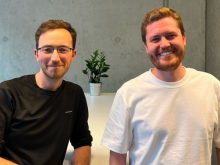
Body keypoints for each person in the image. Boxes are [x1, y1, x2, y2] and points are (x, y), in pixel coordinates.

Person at [101, 7, 220, 165]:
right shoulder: (128, 93)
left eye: (171, 35)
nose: (164, 44)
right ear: (146, 46)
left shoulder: (211, 86)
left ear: (183, 38)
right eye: (155, 39)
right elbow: (117, 158)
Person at [0, 20, 92, 165]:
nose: (55, 58)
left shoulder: (75, 94)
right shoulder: (8, 92)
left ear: (73, 55)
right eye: (47, 49)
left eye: (63, 49)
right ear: (37, 54)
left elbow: (82, 142)